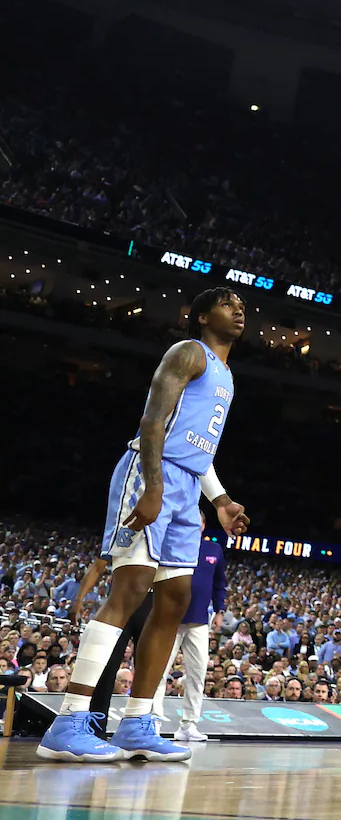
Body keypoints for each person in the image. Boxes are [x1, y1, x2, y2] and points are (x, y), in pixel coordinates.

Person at [38, 288, 251, 763]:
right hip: (151, 473)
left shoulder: (228, 377)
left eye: (241, 305)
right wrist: (153, 487)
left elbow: (200, 448)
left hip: (187, 484)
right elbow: (153, 422)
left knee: (174, 600)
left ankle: (137, 723)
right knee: (131, 589)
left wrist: (219, 499)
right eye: (226, 303)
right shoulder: (188, 353)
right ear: (200, 315)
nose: (238, 310)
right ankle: (69, 721)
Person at [155, 529, 226, 743]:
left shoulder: (214, 549)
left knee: (197, 674)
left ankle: (188, 725)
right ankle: (153, 723)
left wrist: (220, 610)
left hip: (199, 622)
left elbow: (219, 583)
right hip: (171, 620)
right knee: (159, 672)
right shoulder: (173, 543)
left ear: (203, 525)